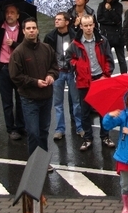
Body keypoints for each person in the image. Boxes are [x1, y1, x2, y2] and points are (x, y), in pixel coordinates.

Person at [9, 17, 59, 159]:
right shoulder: (18, 52)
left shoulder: (46, 48)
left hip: (46, 97)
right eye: (28, 28)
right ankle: (34, 161)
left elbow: (55, 66)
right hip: (29, 99)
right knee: (33, 132)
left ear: (37, 30)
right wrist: (34, 82)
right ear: (23, 31)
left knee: (43, 132)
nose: (32, 31)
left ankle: (42, 161)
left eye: (34, 28)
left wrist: (51, 75)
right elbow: (15, 76)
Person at [66, 14, 115, 151]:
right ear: (81, 26)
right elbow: (68, 58)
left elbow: (109, 59)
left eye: (90, 25)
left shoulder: (102, 41)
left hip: (100, 78)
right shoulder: (75, 44)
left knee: (103, 110)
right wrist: (78, 65)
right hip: (84, 82)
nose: (88, 28)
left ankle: (105, 136)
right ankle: (88, 138)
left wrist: (106, 75)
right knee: (85, 111)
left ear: (94, 25)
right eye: (85, 25)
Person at [0, 4, 26, 141]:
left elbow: (28, 47)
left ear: (18, 15)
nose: (9, 15)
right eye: (7, 12)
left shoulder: (24, 29)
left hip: (19, 69)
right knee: (7, 102)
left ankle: (21, 126)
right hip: (4, 68)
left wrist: (14, 44)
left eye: (12, 12)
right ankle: (11, 128)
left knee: (21, 99)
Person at [43, 12, 83, 140]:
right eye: (55, 19)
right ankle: (60, 129)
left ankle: (80, 127)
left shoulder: (75, 36)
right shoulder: (50, 37)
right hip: (57, 72)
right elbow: (46, 55)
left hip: (71, 72)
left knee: (76, 102)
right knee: (58, 103)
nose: (56, 21)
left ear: (67, 22)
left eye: (59, 19)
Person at [97, 0, 127, 75]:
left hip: (118, 36)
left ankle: (124, 76)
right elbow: (99, 19)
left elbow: (118, 20)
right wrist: (110, 22)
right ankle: (106, 76)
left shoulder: (118, 5)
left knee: (121, 59)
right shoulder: (101, 5)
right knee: (106, 59)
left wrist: (110, 10)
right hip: (105, 36)